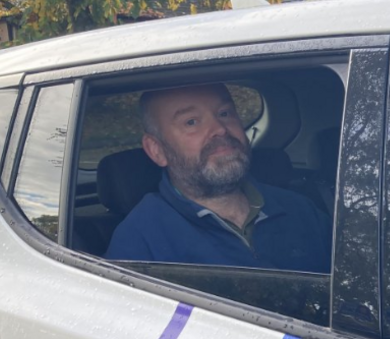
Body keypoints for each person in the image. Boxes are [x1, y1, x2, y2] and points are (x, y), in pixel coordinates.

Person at [105, 84, 332, 273]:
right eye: (191, 122)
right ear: (157, 151)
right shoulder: (139, 240)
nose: (220, 129)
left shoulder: (301, 210)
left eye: (224, 113)